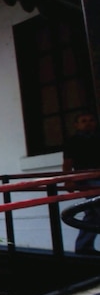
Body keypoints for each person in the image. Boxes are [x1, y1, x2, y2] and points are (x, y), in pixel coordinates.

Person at [63, 109, 100, 255]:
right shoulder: (73, 141)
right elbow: (67, 163)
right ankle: (84, 247)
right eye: (83, 121)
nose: (88, 124)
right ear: (76, 125)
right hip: (85, 178)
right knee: (96, 207)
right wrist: (68, 181)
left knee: (92, 213)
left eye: (91, 120)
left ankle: (83, 247)